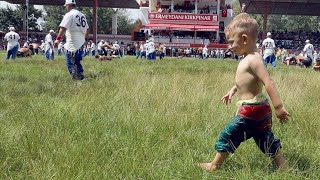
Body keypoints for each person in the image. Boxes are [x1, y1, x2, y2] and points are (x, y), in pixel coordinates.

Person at [199, 13, 290, 172]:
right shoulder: (249, 58)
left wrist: (279, 107)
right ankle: (283, 166)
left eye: (232, 42)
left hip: (250, 110)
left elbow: (268, 82)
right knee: (264, 138)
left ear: (245, 39)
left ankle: (214, 165)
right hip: (258, 110)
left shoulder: (253, 59)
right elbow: (246, 81)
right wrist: (233, 90)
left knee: (229, 134)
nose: (229, 46)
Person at [54, 0, 89, 80]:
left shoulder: (69, 14)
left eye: (66, 6)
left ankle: (77, 78)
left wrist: (58, 39)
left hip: (73, 39)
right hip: (81, 39)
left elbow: (63, 27)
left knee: (71, 59)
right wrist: (84, 39)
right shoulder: (82, 15)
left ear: (69, 5)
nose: (66, 7)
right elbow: (87, 29)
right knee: (77, 59)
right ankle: (80, 75)